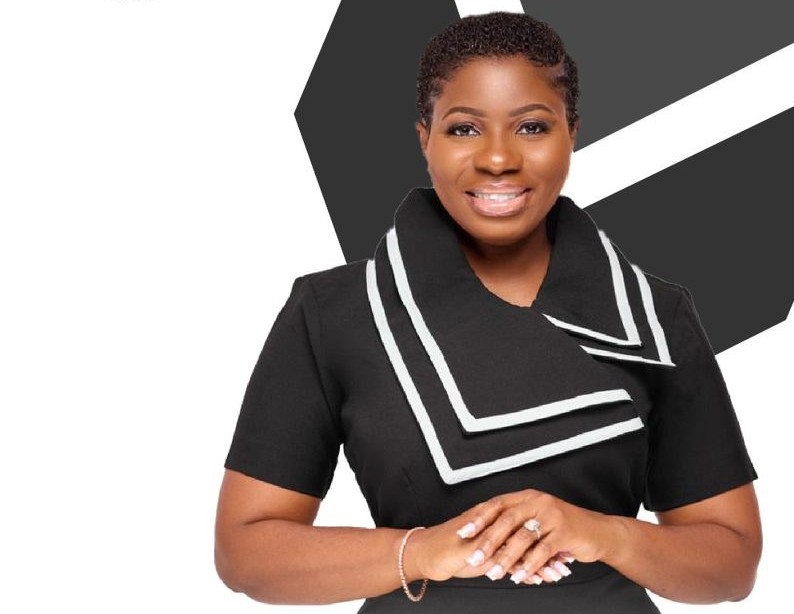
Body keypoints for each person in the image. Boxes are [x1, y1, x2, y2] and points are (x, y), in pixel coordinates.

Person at [215, 11, 761, 614]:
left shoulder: (654, 316)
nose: (498, 159)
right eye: (464, 129)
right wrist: (421, 552)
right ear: (424, 138)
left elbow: (731, 566)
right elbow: (245, 555)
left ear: (572, 134)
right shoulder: (334, 313)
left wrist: (604, 534)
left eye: (532, 126)